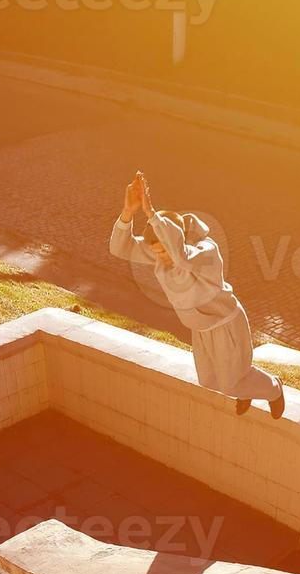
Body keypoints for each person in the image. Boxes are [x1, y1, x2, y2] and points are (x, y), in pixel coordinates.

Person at [110, 172, 285, 418]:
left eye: (163, 251)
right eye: (157, 253)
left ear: (176, 237)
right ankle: (246, 387)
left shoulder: (205, 252)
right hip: (201, 329)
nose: (161, 257)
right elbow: (121, 248)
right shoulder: (164, 255)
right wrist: (128, 212)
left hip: (225, 324)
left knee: (231, 382)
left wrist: (151, 212)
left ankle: (274, 389)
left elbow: (181, 256)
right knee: (210, 381)